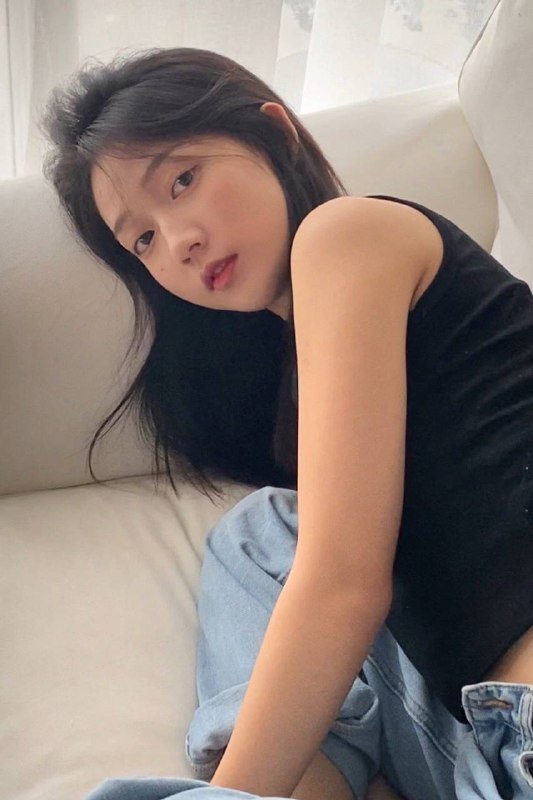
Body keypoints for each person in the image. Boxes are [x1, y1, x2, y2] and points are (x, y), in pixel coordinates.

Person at [40, 47, 533, 800]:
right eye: (141, 240)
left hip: (513, 732)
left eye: (182, 179)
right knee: (260, 532)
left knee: (264, 537)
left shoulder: (349, 232)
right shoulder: (302, 378)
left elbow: (342, 586)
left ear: (275, 133)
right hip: (481, 747)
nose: (178, 241)